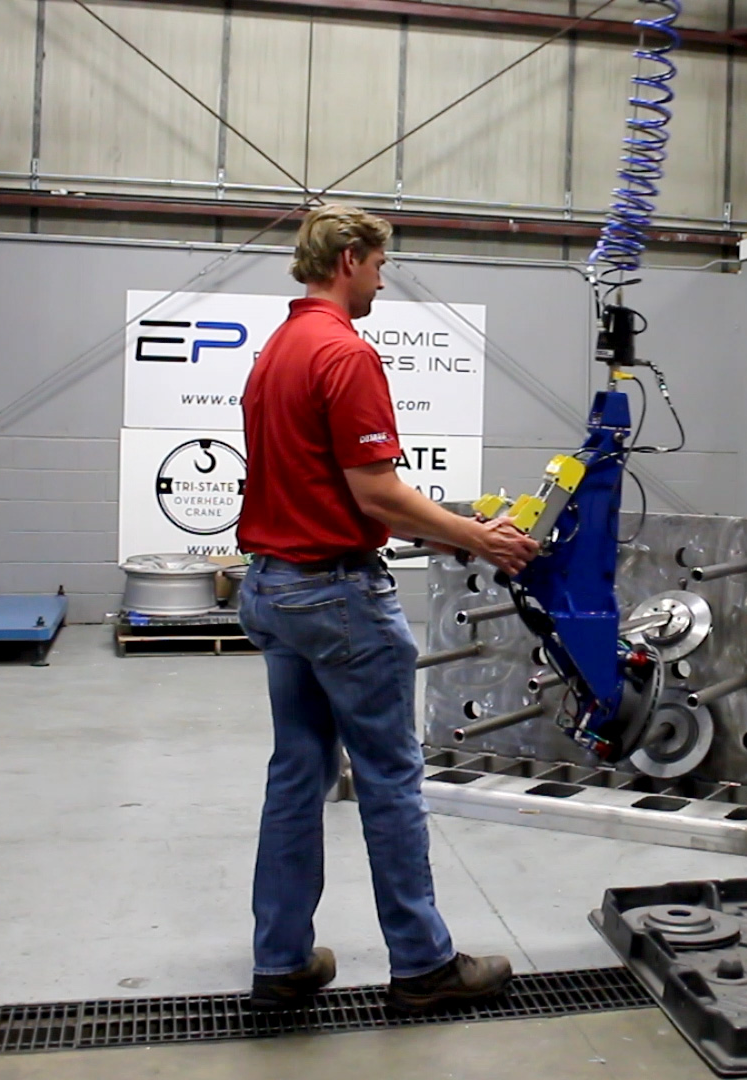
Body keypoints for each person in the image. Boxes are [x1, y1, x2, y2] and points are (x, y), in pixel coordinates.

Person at [234, 204, 540, 1012]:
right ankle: (423, 964)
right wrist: (478, 537)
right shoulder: (344, 352)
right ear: (349, 260)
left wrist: (444, 529)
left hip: (273, 588)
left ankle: (281, 961)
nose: (381, 281)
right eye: (378, 266)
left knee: (297, 771)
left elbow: (329, 487)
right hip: (336, 597)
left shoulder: (276, 352)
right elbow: (375, 493)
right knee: (390, 775)